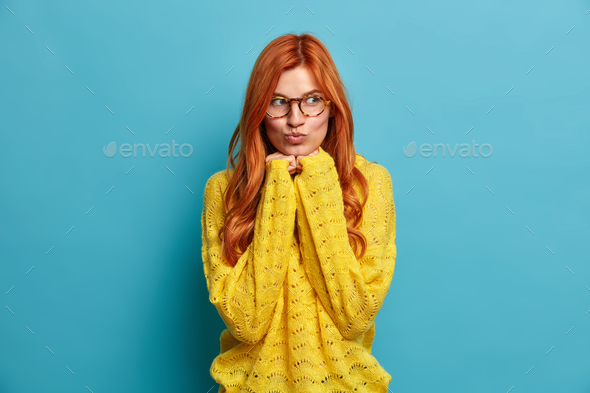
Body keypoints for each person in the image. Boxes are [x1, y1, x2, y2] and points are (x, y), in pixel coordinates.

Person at [201, 32, 397, 392]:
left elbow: (354, 316)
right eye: (278, 102)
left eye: (311, 100)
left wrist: (317, 178)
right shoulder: (223, 192)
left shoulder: (370, 184)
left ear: (333, 106)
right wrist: (276, 190)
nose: (296, 119)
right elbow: (246, 322)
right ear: (259, 110)